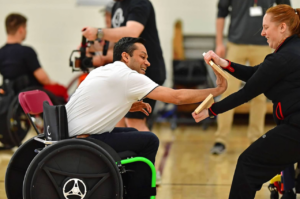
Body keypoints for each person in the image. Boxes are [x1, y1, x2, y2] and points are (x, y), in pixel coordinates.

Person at [66, 37, 227, 199]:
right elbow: (177, 97)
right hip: (84, 141)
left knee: (131, 131)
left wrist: (127, 105)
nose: (147, 62)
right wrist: (217, 90)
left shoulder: (104, 70)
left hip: (72, 135)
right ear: (126, 57)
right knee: (149, 140)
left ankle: (125, 188)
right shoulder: (127, 76)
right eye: (142, 57)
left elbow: (97, 104)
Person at [193, 5, 300, 199]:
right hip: (292, 126)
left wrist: (211, 111)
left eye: (266, 27)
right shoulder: (293, 49)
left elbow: (246, 93)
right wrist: (224, 63)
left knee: (248, 163)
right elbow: (256, 74)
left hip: (296, 129)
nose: (262, 33)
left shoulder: (283, 57)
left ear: (282, 27)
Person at [212, 0, 291, 155]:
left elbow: (287, 12)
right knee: (227, 90)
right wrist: (219, 42)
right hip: (236, 44)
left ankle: (256, 140)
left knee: (260, 96)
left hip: (264, 45)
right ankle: (221, 139)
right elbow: (221, 13)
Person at [82, 0, 166, 132]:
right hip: (128, 73)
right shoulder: (117, 5)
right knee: (117, 119)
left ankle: (146, 152)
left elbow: (132, 33)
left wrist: (99, 32)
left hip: (146, 70)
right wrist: (91, 48)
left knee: (134, 121)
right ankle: (121, 153)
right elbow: (119, 40)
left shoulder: (140, 3)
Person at [0, 13, 67, 104]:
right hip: (30, 97)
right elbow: (43, 79)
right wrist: (54, 83)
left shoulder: (1, 52)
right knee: (61, 90)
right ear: (21, 30)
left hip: (10, 98)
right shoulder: (26, 51)